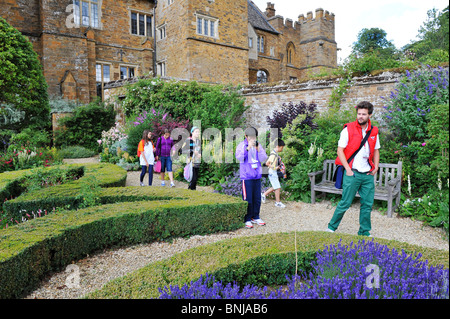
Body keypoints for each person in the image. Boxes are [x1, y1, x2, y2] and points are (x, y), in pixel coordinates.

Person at [326, 101, 380, 237]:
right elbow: (340, 151)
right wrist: (348, 170)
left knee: (367, 205)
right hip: (352, 173)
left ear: (370, 115)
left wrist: (376, 167)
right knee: (345, 202)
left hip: (367, 174)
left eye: (364, 114)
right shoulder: (348, 129)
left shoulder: (374, 131)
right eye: (359, 114)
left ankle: (364, 232)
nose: (360, 116)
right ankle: (331, 227)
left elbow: (376, 150)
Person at [235, 127, 268, 229]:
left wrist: (258, 149)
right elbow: (239, 158)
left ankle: (256, 216)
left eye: (254, 137)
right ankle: (247, 219)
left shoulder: (258, 145)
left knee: (257, 198)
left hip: (257, 176)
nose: (253, 139)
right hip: (247, 176)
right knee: (247, 199)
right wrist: (247, 148)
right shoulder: (242, 145)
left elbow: (264, 158)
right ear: (246, 136)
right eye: (251, 137)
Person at [262, 138, 286, 208]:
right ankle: (277, 202)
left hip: (273, 172)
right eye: (282, 148)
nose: (282, 149)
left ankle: (264, 195)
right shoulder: (273, 155)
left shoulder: (275, 154)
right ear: (278, 146)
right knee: (277, 187)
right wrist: (275, 168)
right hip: (272, 172)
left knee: (276, 187)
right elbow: (267, 163)